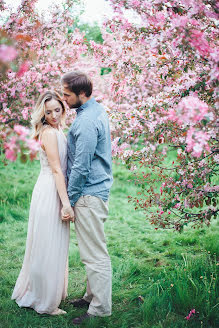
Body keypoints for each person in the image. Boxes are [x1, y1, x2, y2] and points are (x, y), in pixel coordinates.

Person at [11, 91, 74, 315]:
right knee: (48, 244)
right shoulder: (48, 133)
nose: (54, 115)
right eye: (48, 112)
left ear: (63, 109)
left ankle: (50, 292)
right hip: (50, 190)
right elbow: (57, 169)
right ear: (42, 113)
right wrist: (66, 204)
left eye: (58, 110)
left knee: (54, 243)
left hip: (53, 187)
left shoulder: (58, 130)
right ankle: (45, 302)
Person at [61, 71, 113, 325]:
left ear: (82, 94)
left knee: (94, 254)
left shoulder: (85, 122)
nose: (64, 98)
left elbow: (81, 167)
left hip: (88, 193)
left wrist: (70, 200)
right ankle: (91, 295)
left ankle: (100, 309)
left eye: (67, 94)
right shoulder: (95, 111)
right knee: (91, 249)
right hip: (96, 189)